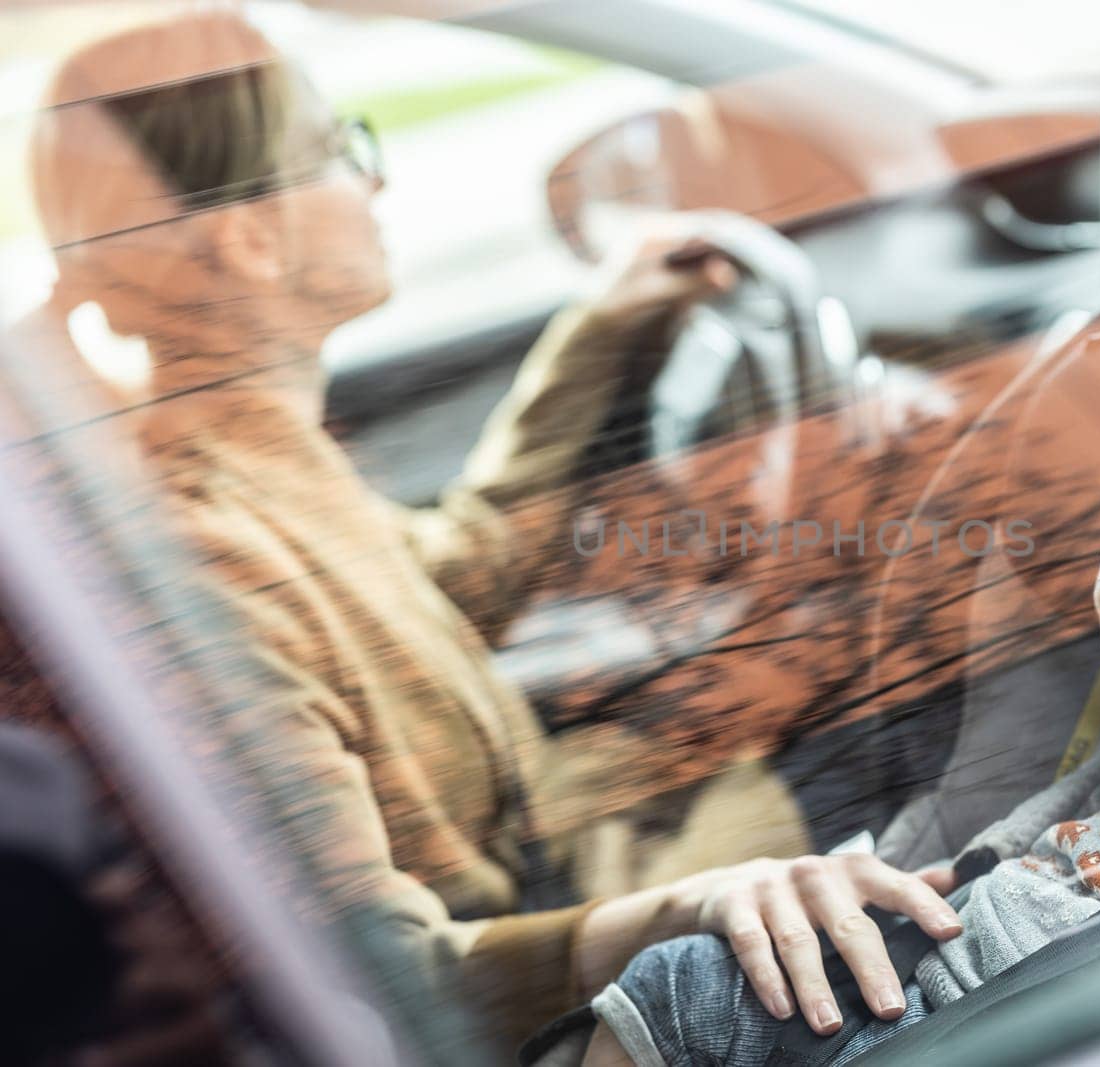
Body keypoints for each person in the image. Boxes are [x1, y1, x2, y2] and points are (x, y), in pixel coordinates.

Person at [23, 12, 965, 1060]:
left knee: (890, 698)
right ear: (253, 236)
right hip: (547, 970)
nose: (373, 185)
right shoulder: (210, 550)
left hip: (574, 853)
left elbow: (448, 571)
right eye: (341, 151)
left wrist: (594, 334)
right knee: (942, 744)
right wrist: (694, 904)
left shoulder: (251, 454)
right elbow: (373, 967)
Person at [574, 416, 1100, 1067]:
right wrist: (968, 872)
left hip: (981, 1033)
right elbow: (1010, 837)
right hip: (902, 999)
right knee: (679, 979)